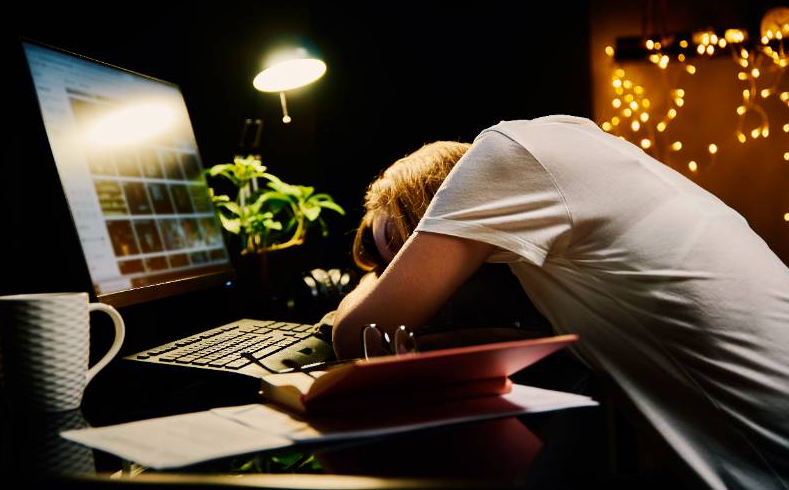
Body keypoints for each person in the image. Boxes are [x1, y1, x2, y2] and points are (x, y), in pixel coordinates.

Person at [332, 115, 789, 490]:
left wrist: (374, 278)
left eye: (399, 240)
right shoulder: (569, 141)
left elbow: (354, 336)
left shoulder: (502, 157)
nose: (407, 268)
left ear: (425, 202)